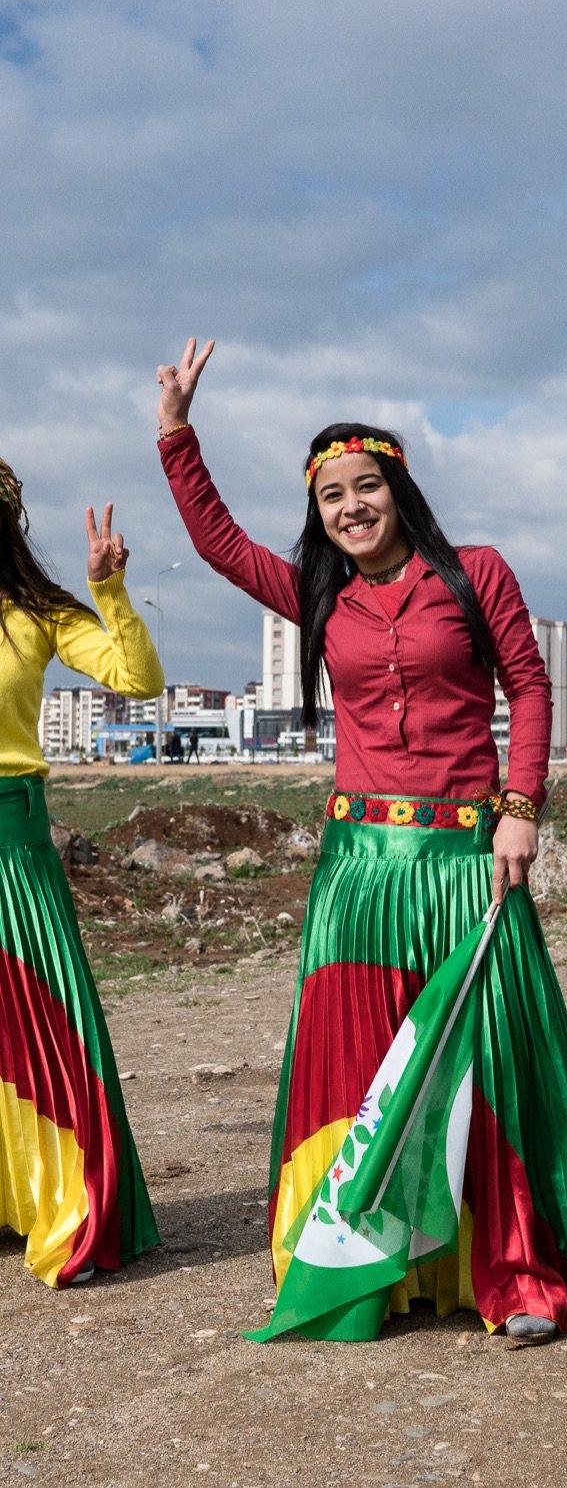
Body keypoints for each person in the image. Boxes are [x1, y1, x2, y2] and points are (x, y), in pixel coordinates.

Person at [154, 339, 567, 1345]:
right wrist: (176, 433)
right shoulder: (318, 595)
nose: (349, 507)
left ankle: (514, 1269)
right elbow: (217, 543)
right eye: (331, 495)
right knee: (362, 1067)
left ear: (398, 489)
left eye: (365, 485)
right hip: (359, 870)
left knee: (485, 1060)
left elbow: (530, 686)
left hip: (464, 858)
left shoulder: (475, 574)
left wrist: (522, 805)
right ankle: (369, 1268)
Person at [0, 458, 162, 1286]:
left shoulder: (37, 612)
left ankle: (63, 1202)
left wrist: (112, 591)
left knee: (38, 1027)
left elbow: (137, 678)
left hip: (12, 844)